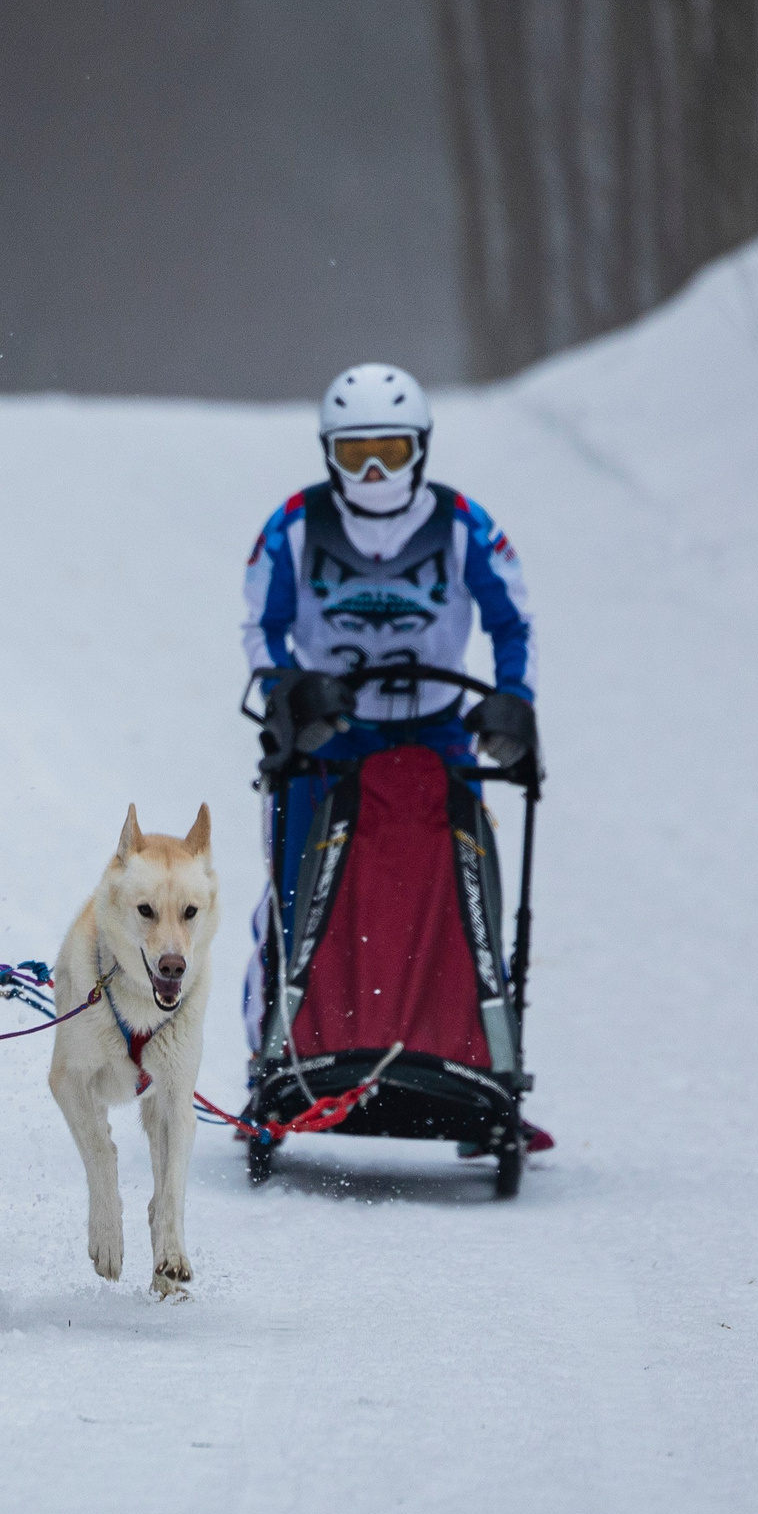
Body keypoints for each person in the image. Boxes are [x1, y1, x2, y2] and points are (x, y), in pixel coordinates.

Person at [239, 362, 549, 1148]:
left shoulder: (465, 523)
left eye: (389, 449)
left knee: (465, 890)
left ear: (421, 449)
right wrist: (288, 689)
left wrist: (513, 697)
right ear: (328, 454)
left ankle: (484, 1059)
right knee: (293, 891)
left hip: (440, 735)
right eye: (355, 454)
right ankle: (271, 1060)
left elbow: (513, 622)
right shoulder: (293, 525)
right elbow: (261, 627)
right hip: (325, 739)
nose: (374, 471)